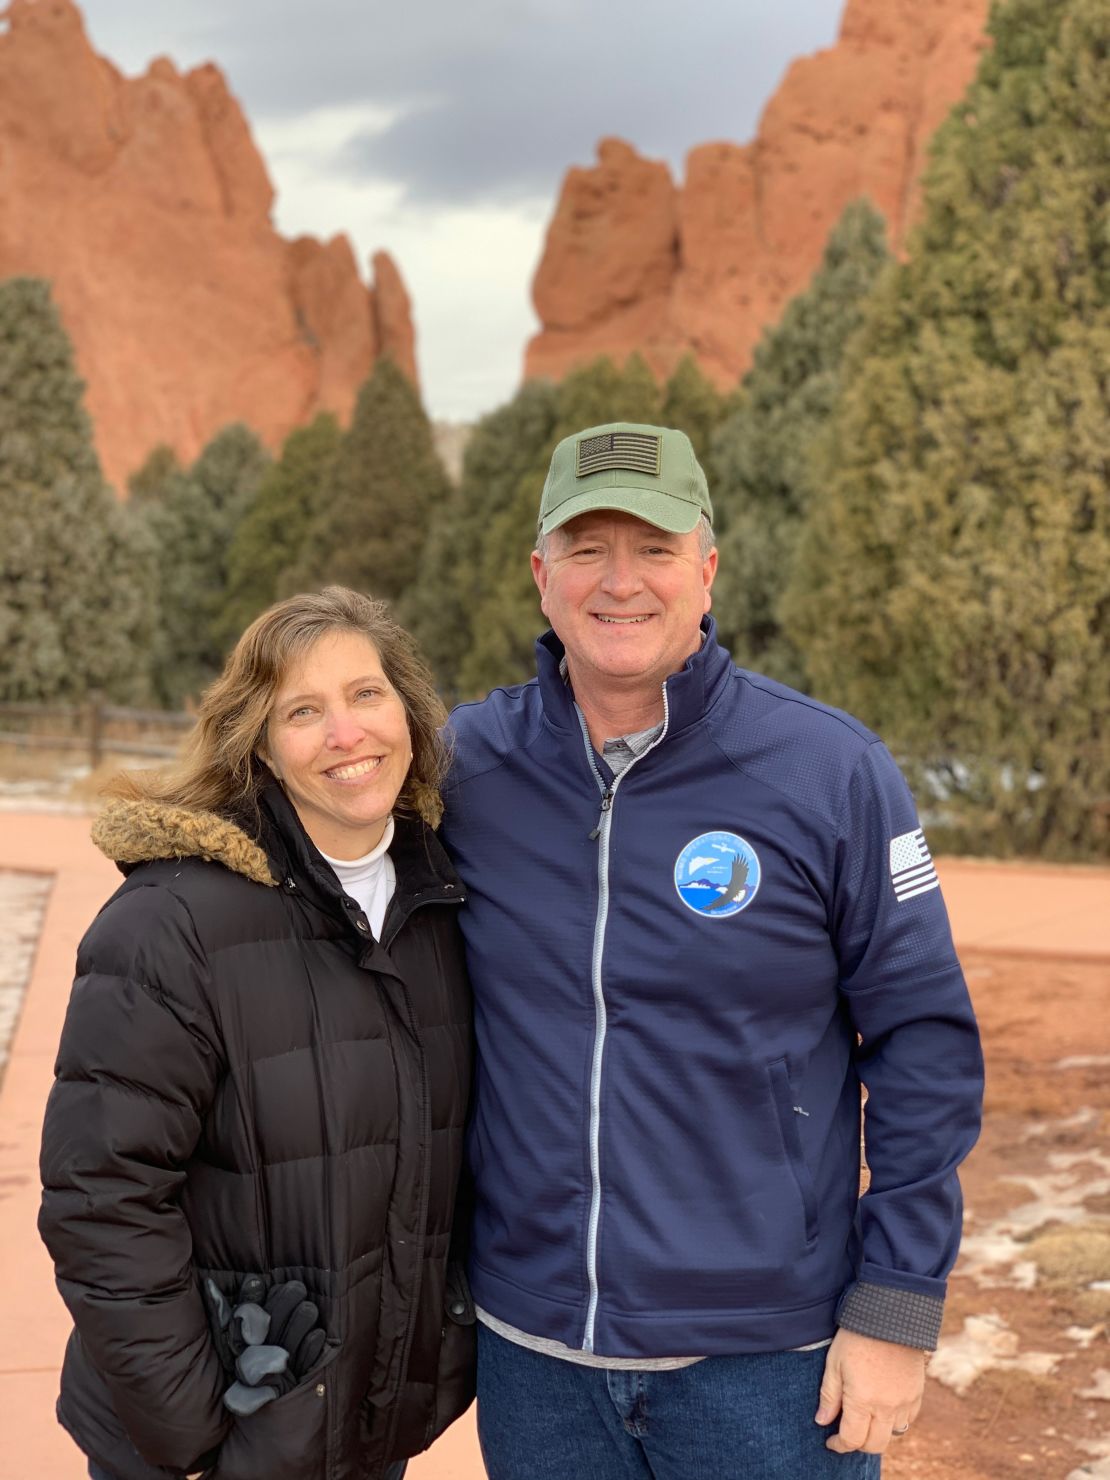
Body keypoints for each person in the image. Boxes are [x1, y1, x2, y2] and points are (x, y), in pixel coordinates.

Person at [439, 423, 984, 1478]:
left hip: (769, 1368)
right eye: (588, 548)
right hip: (534, 1356)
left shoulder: (830, 772)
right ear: (542, 574)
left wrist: (899, 1306)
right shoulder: (467, 767)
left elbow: (923, 1042)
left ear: (708, 569)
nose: (621, 581)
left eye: (652, 547)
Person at [39, 587, 475, 1480]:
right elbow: (101, 1195)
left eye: (366, 694)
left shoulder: (443, 905)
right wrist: (191, 1426)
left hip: (363, 1425)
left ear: (411, 714)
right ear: (261, 746)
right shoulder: (170, 923)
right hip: (213, 1443)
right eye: (303, 711)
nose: (346, 734)